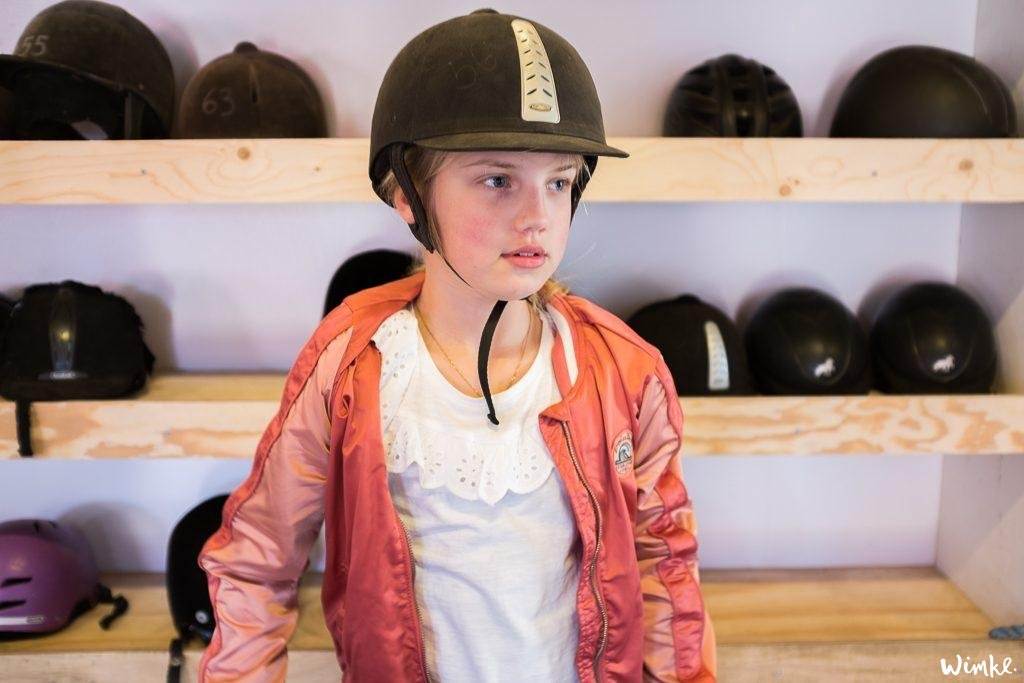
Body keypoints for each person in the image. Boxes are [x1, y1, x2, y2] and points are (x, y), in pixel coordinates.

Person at [198, 9, 717, 682]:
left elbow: (665, 566)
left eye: (559, 181)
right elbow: (257, 560)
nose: (537, 214)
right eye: (497, 179)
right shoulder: (352, 363)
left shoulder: (623, 369)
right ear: (407, 195)